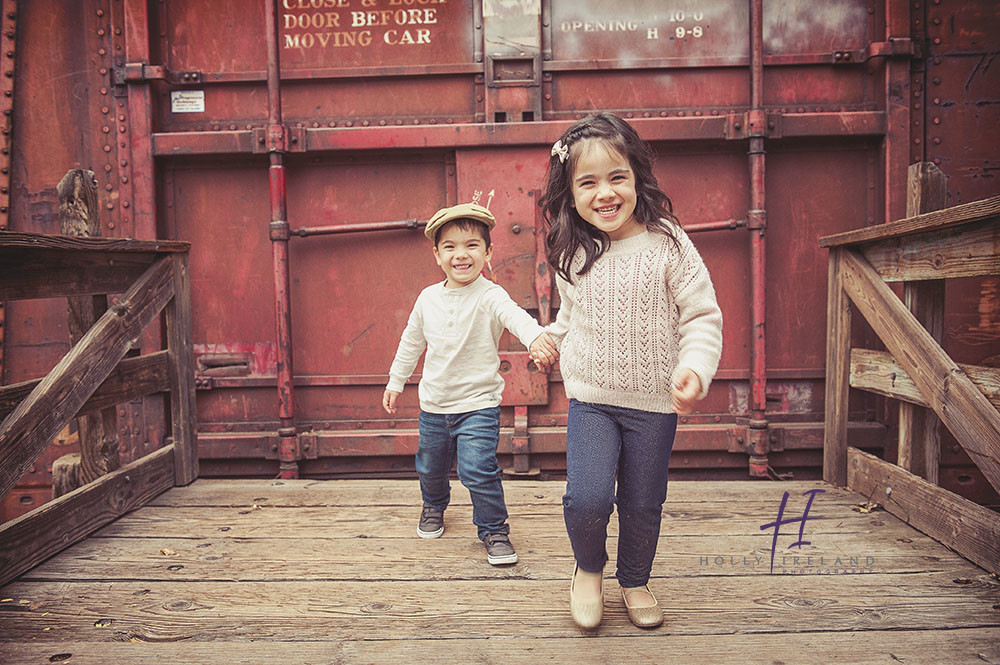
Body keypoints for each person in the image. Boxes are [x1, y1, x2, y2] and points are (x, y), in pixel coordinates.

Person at [540, 113, 723, 628]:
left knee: (643, 502)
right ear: (570, 192)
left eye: (617, 177)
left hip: (654, 406)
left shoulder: (669, 243)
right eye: (588, 182)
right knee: (588, 496)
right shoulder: (573, 252)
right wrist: (548, 340)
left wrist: (694, 368)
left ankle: (635, 580)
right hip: (593, 398)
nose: (605, 193)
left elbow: (701, 314)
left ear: (637, 177)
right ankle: (588, 570)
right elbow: (572, 318)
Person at [383, 202, 558, 566]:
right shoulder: (428, 299)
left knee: (478, 469)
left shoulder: (490, 295)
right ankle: (433, 506)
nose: (461, 255)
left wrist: (536, 338)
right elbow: (411, 342)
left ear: (488, 251)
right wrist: (396, 381)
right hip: (434, 406)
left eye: (471, 245)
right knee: (430, 468)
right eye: (450, 246)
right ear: (437, 255)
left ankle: (494, 530)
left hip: (478, 405)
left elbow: (515, 318)